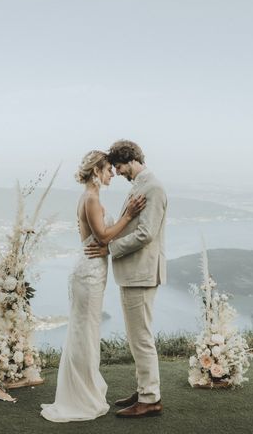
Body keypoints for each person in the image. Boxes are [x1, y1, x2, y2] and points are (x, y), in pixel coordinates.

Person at [40, 150, 146, 423]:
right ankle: (79, 397)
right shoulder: (90, 198)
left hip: (92, 271)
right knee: (84, 332)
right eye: (109, 169)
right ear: (96, 171)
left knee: (86, 330)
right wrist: (129, 214)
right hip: (88, 273)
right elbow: (103, 235)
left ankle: (83, 390)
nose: (112, 173)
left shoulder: (92, 197)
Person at [85, 139, 167, 418]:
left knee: (141, 338)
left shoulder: (153, 187)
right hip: (134, 273)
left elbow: (146, 234)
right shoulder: (141, 186)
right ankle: (144, 389)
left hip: (141, 274)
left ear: (131, 160)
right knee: (136, 337)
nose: (117, 173)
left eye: (119, 167)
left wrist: (109, 248)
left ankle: (150, 398)